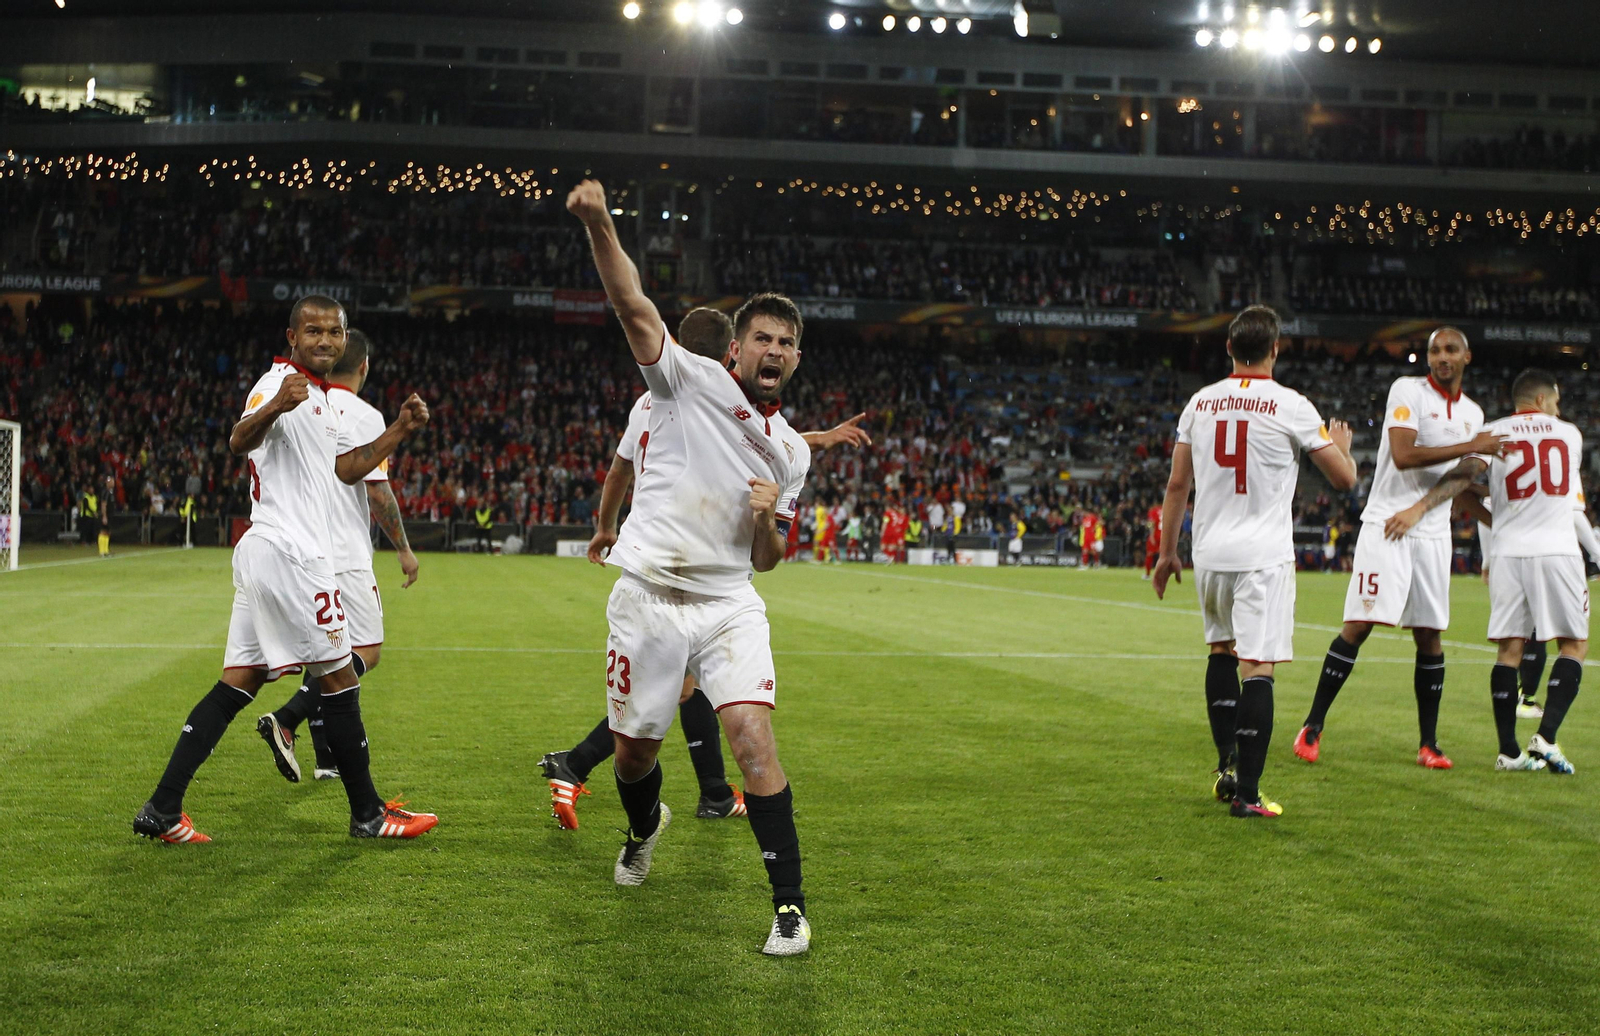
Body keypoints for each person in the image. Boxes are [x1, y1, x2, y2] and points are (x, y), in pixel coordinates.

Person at [570, 178, 813, 955]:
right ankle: (645, 828)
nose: (772, 351)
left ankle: (789, 910)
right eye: (761, 339)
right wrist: (602, 223)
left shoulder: (794, 451)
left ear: (796, 358)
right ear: (735, 348)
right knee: (635, 754)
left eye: (786, 342)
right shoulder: (685, 381)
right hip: (647, 595)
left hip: (727, 604)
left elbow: (769, 561)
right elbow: (632, 305)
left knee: (751, 738)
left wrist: (763, 518)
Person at [544, 308, 872, 830]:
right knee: (671, 695)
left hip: (672, 556)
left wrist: (606, 526)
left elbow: (628, 466)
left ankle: (708, 791)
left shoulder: (647, 401)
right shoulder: (693, 391)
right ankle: (594, 765)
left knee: (684, 688)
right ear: (729, 355)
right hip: (677, 556)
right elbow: (737, 430)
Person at [131, 296, 436, 844]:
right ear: (292, 337)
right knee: (341, 677)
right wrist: (275, 407)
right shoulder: (279, 381)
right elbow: (238, 437)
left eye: (334, 332)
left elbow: (347, 469)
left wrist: (397, 431)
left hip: (270, 553)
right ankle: (368, 814)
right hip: (294, 555)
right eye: (313, 331)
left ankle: (162, 809)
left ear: (345, 340)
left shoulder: (321, 397)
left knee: (238, 681)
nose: (324, 340)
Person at [1152, 305, 1357, 819]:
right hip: (1262, 556)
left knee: (1220, 652)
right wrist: (1346, 450)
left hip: (1210, 554)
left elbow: (1178, 485)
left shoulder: (1199, 403)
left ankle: (1225, 766)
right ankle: (1247, 794)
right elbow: (1344, 480)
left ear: (1229, 349)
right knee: (1257, 668)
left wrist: (1166, 552)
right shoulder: (1291, 405)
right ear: (1276, 349)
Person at [1293, 327, 1507, 769]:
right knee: (1360, 625)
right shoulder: (1407, 390)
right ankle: (1312, 726)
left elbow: (1461, 479)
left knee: (1430, 636)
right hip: (1386, 524)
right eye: (1434, 350)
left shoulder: (1473, 413)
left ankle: (1429, 744)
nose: (1441, 357)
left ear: (1467, 356)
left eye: (1450, 350)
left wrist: (1489, 519)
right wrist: (1473, 445)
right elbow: (1404, 453)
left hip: (1431, 532)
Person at [1383, 369, 1585, 773]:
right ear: (1544, 401)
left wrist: (1420, 508)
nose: (1558, 409)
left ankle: (1509, 751)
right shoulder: (1570, 435)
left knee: (1508, 651)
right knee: (1573, 645)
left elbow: (1463, 481)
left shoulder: (1491, 432)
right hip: (1557, 549)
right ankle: (1545, 737)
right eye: (1556, 402)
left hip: (1508, 552)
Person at [255, 328, 423, 783]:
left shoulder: (310, 402)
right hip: (346, 550)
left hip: (302, 547)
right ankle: (288, 719)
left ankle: (327, 758)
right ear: (364, 367)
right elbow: (377, 488)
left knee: (325, 654)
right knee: (365, 648)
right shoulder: (363, 413)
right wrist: (404, 549)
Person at [1144, 502, 1162, 579]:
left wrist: (1151, 536)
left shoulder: (1153, 511)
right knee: (1163, 556)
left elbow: (1151, 524)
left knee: (1150, 555)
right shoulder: (1166, 509)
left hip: (1155, 535)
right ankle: (1163, 575)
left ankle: (1147, 574)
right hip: (1165, 536)